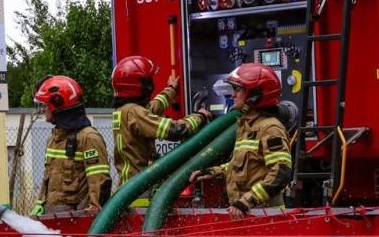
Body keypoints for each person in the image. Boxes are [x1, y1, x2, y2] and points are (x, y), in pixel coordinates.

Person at [192, 62, 292, 216]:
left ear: (255, 94)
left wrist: (247, 201)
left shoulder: (270, 128)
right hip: (248, 214)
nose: (233, 95)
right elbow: (244, 167)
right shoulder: (246, 126)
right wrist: (213, 171)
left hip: (266, 217)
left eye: (238, 89)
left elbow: (281, 173)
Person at [110, 55, 213, 199]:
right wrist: (200, 116)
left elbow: (151, 109)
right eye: (148, 81)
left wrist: (170, 90)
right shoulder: (133, 112)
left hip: (130, 186)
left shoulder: (124, 110)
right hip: (138, 190)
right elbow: (176, 130)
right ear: (140, 85)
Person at [32, 74, 111, 215]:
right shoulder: (54, 139)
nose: (43, 110)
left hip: (78, 224)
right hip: (54, 223)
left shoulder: (88, 138)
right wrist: (40, 204)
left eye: (45, 105)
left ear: (58, 104)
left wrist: (94, 216)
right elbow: (48, 179)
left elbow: (99, 182)